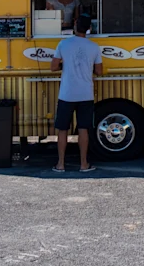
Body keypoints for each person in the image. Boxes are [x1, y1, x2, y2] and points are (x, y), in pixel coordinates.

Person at [50, 14, 102, 173]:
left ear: (74, 26)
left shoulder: (63, 44)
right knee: (83, 129)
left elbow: (53, 67)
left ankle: (60, 164)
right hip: (85, 93)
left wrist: (64, 67)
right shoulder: (94, 47)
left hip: (66, 93)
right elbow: (99, 71)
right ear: (89, 28)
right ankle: (84, 164)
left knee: (63, 129)